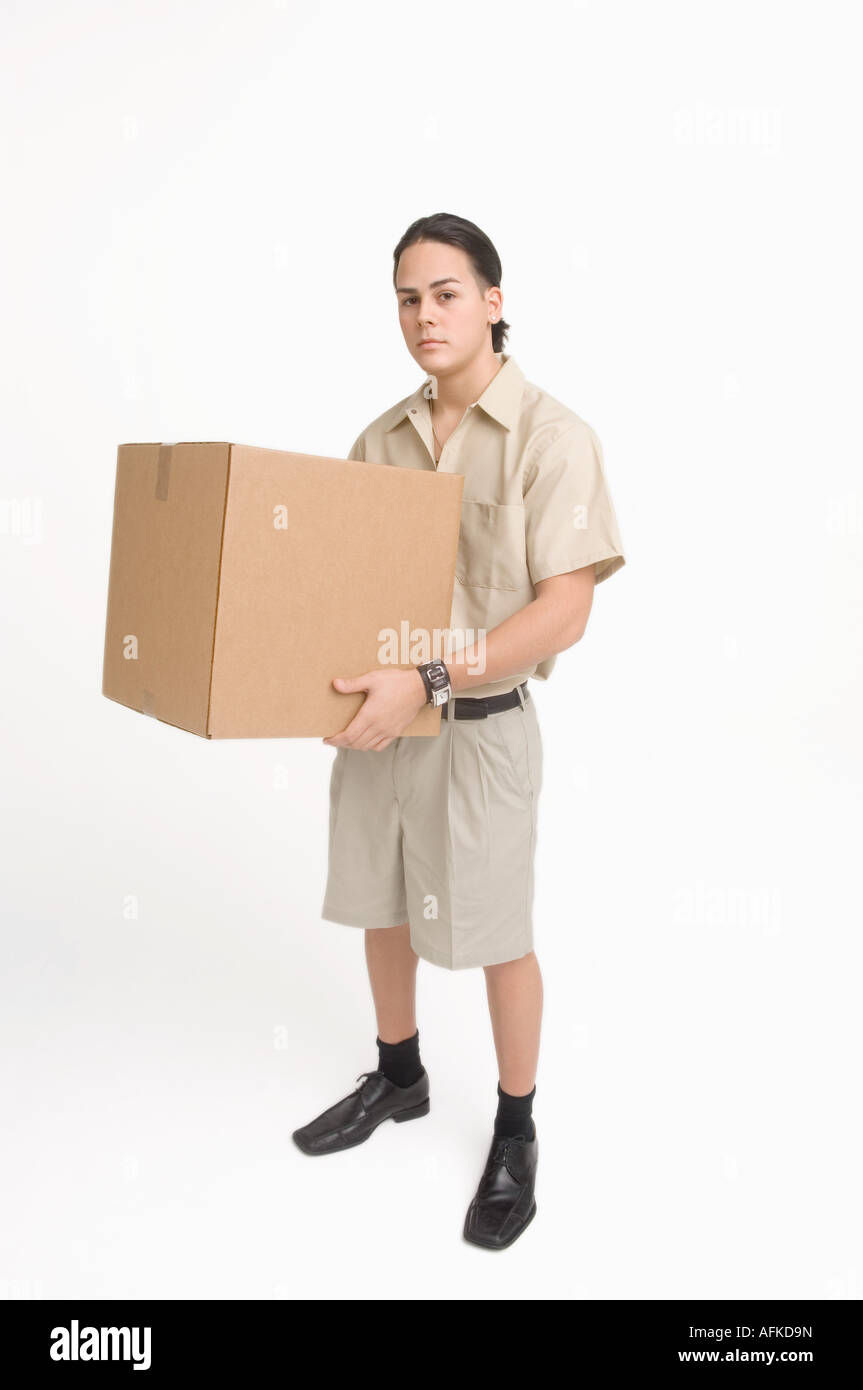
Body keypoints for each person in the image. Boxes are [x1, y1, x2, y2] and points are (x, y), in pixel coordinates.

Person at [292, 213, 626, 1251]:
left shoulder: (552, 439)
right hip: (381, 720)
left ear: (491, 300)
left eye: (443, 292)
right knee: (379, 901)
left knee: (495, 934)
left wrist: (430, 674)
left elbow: (561, 610)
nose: (423, 314)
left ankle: (516, 1130)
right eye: (405, 296)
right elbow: (341, 582)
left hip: (478, 730)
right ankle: (399, 1077)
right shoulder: (379, 439)